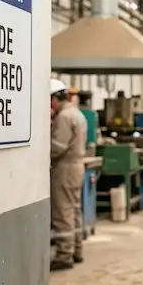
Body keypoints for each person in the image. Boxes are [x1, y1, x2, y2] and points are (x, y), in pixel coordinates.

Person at [50, 78, 88, 271]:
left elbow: (58, 147)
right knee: (74, 209)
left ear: (55, 99)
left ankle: (64, 254)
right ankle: (77, 249)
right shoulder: (77, 113)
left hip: (65, 168)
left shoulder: (64, 117)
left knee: (63, 211)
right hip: (77, 166)